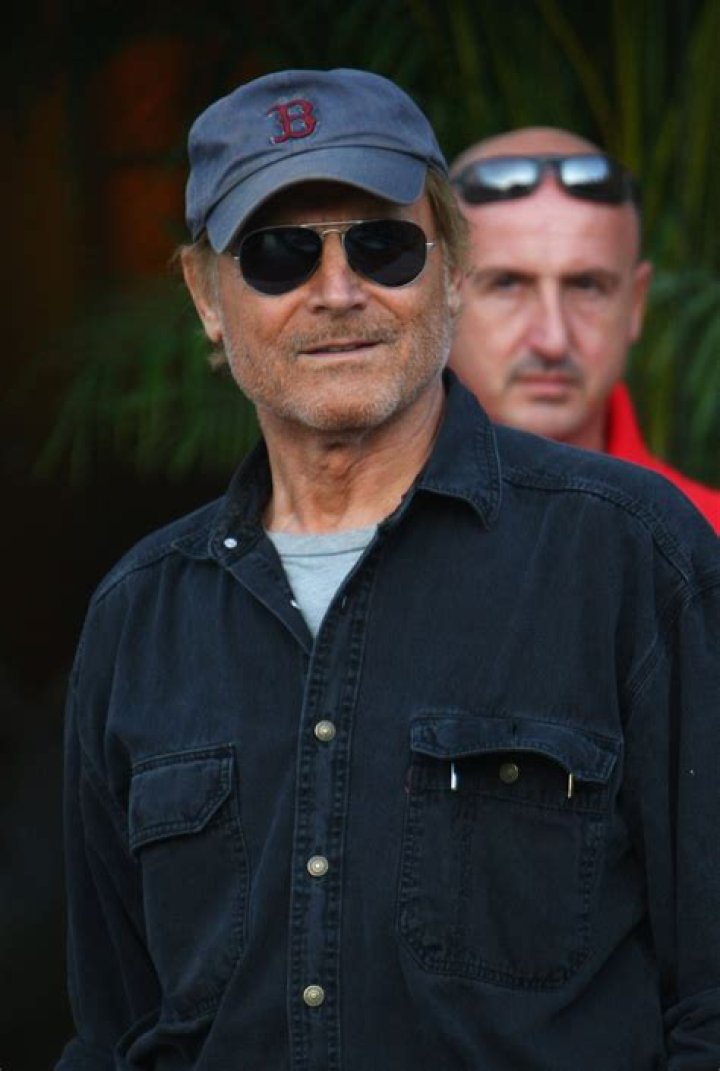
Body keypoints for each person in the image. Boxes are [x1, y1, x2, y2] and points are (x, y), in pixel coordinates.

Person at [56, 69, 720, 1071]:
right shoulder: (136, 616)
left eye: (383, 245)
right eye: (279, 254)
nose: (338, 291)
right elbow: (113, 1031)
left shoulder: (634, 555)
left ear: (451, 270)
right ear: (205, 295)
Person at [448, 127, 720, 532]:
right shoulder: (363, 534)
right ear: (438, 299)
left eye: (587, 286)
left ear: (637, 303)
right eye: (507, 284)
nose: (553, 340)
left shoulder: (706, 540)